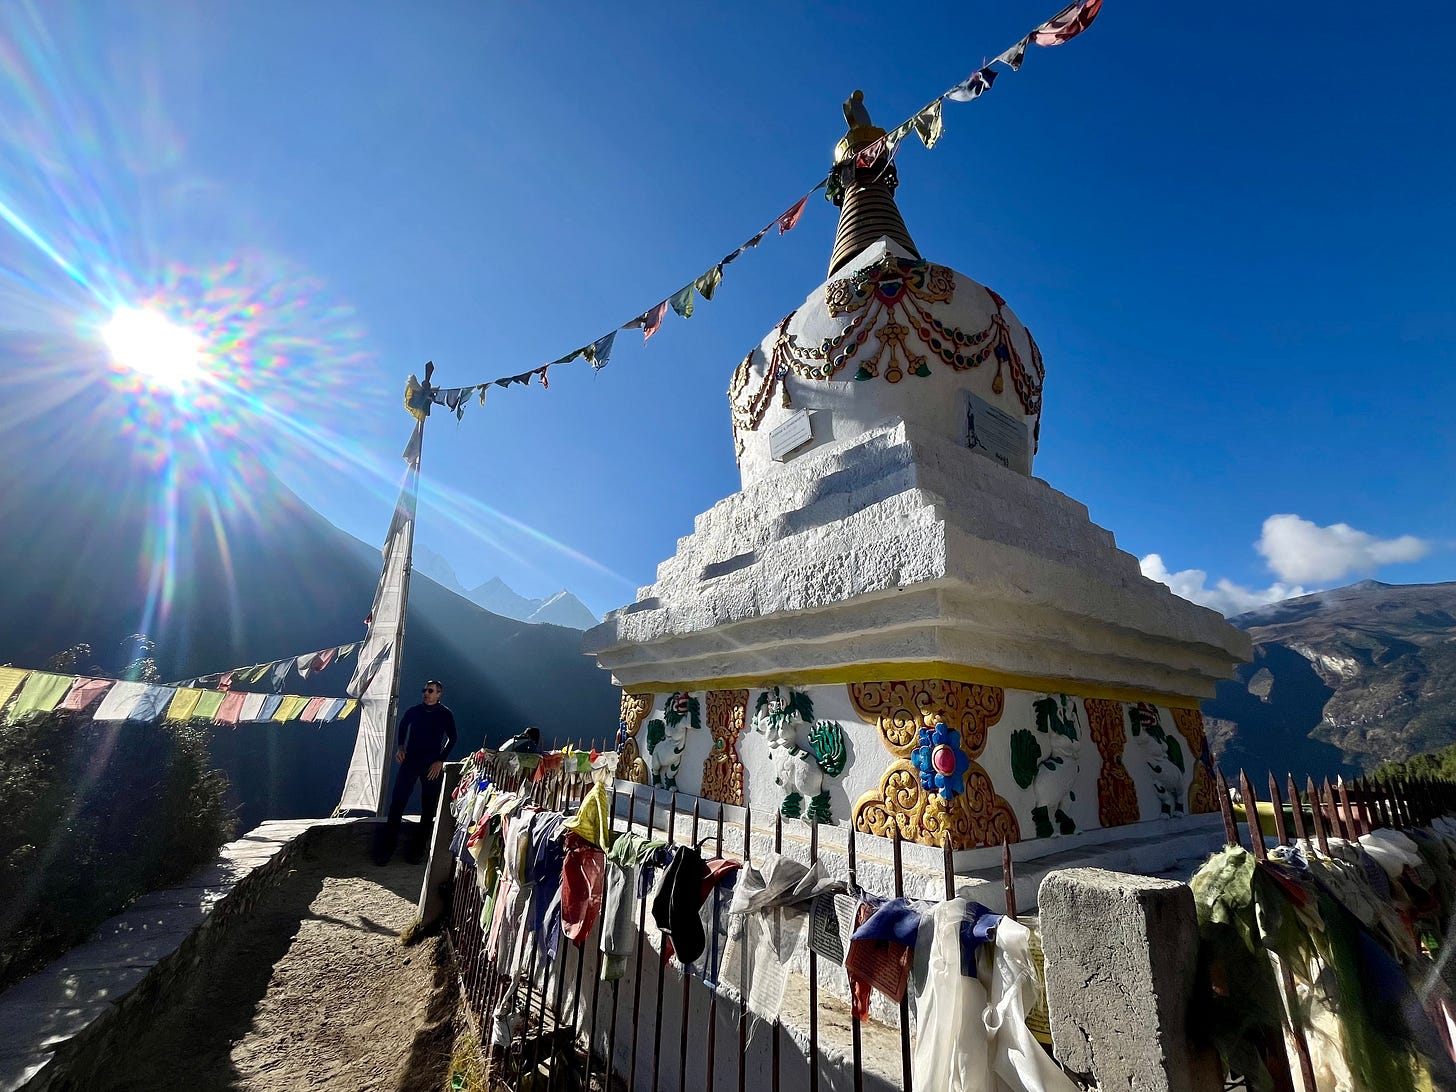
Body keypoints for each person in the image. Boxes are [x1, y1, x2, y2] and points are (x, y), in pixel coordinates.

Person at [374, 678, 457, 865]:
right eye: (425, 690)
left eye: (430, 691)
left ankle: (417, 851)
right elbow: (403, 726)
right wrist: (400, 746)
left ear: (439, 694)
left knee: (428, 808)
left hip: (431, 766)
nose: (426, 693)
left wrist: (440, 760)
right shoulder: (414, 711)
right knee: (397, 803)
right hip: (411, 761)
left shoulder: (445, 714)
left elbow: (453, 738)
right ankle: (386, 850)